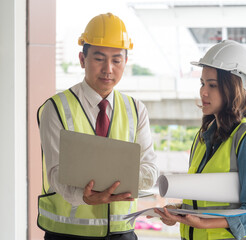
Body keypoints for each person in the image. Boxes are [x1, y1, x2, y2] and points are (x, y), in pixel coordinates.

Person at [37, 13, 158, 240]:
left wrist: (112, 184)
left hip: (122, 233)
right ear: (83, 60)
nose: (108, 69)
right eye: (99, 58)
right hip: (69, 234)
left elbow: (150, 171)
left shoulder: (136, 109)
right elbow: (55, 174)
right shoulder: (56, 108)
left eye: (116, 60)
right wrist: (85, 196)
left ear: (125, 62)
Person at [154, 40, 246, 240]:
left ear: (234, 87)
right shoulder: (203, 137)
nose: (203, 92)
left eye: (213, 85)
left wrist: (203, 223)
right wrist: (179, 212)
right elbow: (206, 202)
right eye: (202, 83)